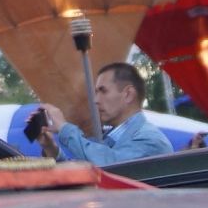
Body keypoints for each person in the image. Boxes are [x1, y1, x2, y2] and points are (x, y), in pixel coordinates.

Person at [34, 62, 173, 167]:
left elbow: (109, 167)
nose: (95, 100)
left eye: (103, 91)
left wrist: (64, 127)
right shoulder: (112, 141)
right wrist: (50, 148)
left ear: (128, 94)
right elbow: (86, 174)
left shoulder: (151, 141)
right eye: (96, 92)